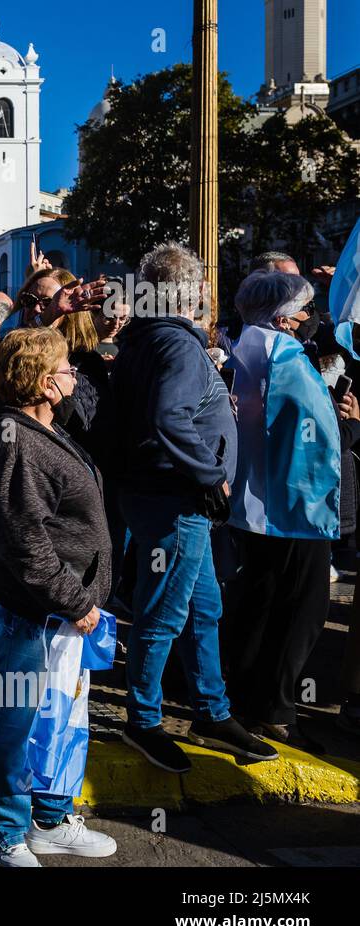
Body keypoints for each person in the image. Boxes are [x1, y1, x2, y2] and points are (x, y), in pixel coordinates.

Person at [111, 242, 276, 772]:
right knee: (162, 613)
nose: (209, 291)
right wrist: (210, 476)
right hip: (176, 500)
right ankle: (144, 721)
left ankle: (211, 709)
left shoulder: (146, 339)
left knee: (203, 608)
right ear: (189, 292)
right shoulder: (177, 345)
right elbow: (168, 416)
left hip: (171, 498)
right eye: (203, 282)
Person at [0, 327, 118, 867]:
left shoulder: (44, 425)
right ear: (40, 381)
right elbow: (23, 540)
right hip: (26, 606)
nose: (73, 376)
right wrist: (74, 601)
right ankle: (4, 827)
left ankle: (49, 819)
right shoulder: (16, 441)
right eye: (64, 369)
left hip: (57, 606)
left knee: (60, 714)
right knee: (18, 713)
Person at [221, 270, 342, 753]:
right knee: (301, 608)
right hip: (296, 506)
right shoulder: (286, 357)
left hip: (260, 502)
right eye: (304, 310)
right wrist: (352, 426)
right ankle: (273, 707)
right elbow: (317, 435)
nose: (309, 318)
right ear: (282, 317)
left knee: (262, 598)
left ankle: (249, 697)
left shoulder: (248, 347)